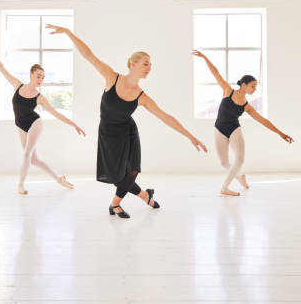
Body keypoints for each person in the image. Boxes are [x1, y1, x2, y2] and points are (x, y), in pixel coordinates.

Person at [47, 25, 207, 218]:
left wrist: (190, 136)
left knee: (131, 171)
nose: (150, 67)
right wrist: (68, 32)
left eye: (150, 64)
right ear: (133, 64)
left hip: (128, 133)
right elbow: (88, 55)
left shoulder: (141, 96)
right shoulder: (111, 77)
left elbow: (165, 117)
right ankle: (146, 196)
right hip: (107, 133)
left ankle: (115, 205)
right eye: (146, 63)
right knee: (117, 177)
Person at [0, 43, 85, 195]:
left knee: (26, 154)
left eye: (43, 77)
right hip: (21, 126)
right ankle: (59, 179)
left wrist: (74, 125)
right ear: (31, 75)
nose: (41, 79)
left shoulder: (40, 98)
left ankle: (20, 185)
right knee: (33, 160)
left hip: (35, 123)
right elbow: (2, 68)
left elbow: (56, 113)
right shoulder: (17, 85)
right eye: (38, 76)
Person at [193, 50, 294, 196]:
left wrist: (280, 133)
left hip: (234, 129)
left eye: (256, 87)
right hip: (219, 128)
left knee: (239, 159)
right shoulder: (228, 91)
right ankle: (241, 179)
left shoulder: (247, 106)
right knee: (224, 163)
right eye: (253, 86)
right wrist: (204, 57)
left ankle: (225, 188)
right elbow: (215, 73)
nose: (255, 89)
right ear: (244, 85)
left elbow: (263, 121)